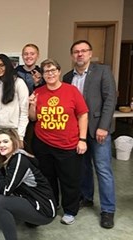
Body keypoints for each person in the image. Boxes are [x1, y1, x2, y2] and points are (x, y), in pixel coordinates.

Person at [63, 40, 117, 229]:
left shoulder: (102, 71)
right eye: (76, 52)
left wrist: (103, 126)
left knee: (103, 170)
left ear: (90, 53)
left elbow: (110, 99)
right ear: (72, 55)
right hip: (76, 132)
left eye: (84, 51)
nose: (80, 54)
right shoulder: (68, 77)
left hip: (98, 130)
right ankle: (86, 197)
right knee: (83, 168)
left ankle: (108, 210)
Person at [29, 58, 89, 225]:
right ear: (42, 74)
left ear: (59, 71)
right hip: (43, 142)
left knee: (70, 179)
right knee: (48, 178)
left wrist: (82, 139)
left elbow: (82, 114)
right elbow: (33, 118)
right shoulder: (38, 92)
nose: (50, 74)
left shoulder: (71, 91)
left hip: (68, 144)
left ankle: (70, 210)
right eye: (46, 71)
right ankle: (51, 205)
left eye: (53, 70)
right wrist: (32, 105)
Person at [0, 129, 56, 240]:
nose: (1, 145)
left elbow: (6, 190)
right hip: (32, 202)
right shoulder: (8, 160)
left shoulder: (19, 159)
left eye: (5, 141)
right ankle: (31, 221)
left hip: (45, 210)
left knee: (0, 201)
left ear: (14, 142)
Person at [0, 54, 29, 149]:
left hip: (13, 131)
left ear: (7, 66)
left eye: (2, 65)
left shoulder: (19, 83)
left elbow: (24, 113)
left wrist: (20, 136)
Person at [15, 43, 44, 155]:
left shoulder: (43, 73)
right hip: (17, 114)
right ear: (22, 56)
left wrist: (37, 83)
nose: (29, 56)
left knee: (32, 146)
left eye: (32, 54)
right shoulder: (15, 72)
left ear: (37, 55)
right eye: (26, 54)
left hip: (36, 116)